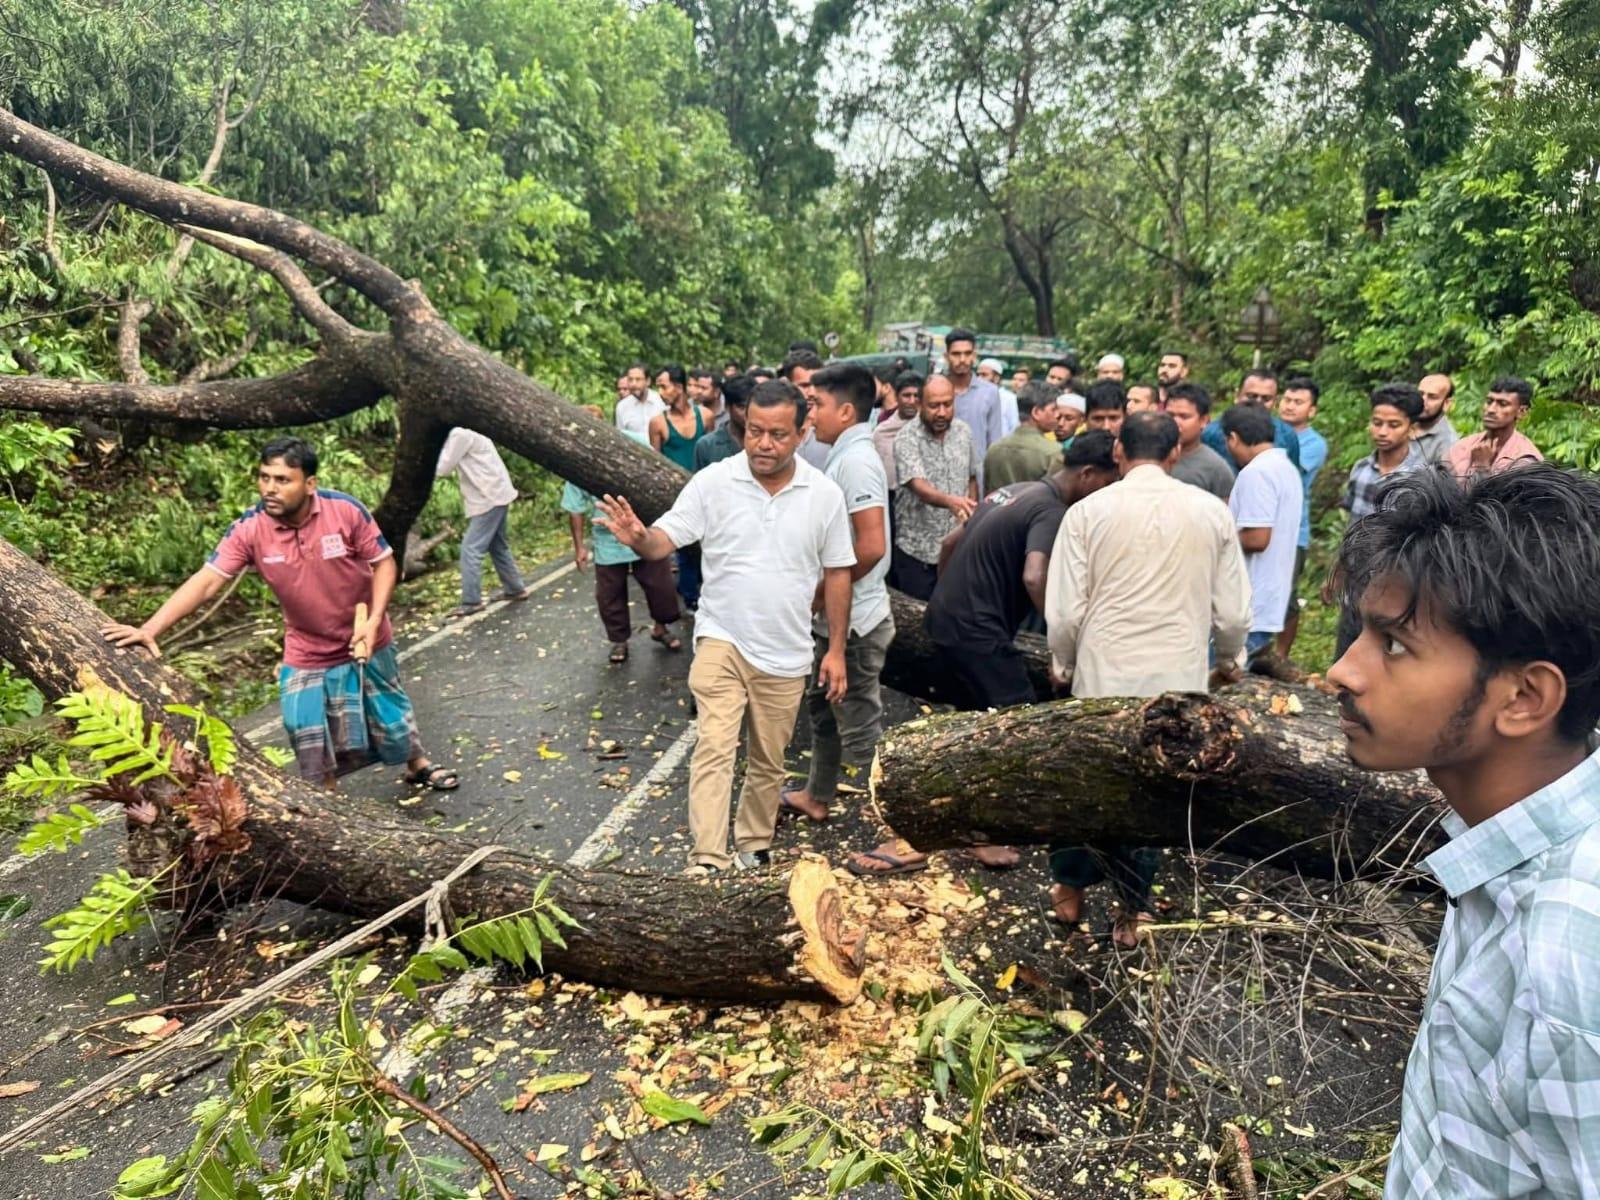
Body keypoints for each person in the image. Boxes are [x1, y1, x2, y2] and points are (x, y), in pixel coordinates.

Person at [1326, 465, 1600, 1200]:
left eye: (1394, 645)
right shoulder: (1507, 848)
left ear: (1524, 697)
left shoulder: (1569, 959)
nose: (1341, 672)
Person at [595, 381, 855, 875]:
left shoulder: (824, 495)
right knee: (714, 745)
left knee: (768, 759)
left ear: (801, 433)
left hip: (786, 650)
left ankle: (753, 844)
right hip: (722, 637)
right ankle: (708, 859)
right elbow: (663, 540)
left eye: (777, 434)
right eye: (754, 431)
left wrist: (836, 649)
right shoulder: (714, 482)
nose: (763, 444)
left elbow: (839, 572)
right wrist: (640, 538)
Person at [102, 438, 458, 792]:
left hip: (365, 633)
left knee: (388, 708)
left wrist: (374, 619)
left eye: (283, 480)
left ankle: (417, 765)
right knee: (304, 726)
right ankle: (327, 798)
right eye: (264, 477)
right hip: (307, 647)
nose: (270, 488)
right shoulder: (250, 528)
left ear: (310, 484)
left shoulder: (345, 511)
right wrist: (150, 628)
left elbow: (384, 563)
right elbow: (208, 580)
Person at [849, 432, 1121, 878]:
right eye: (1108, 484)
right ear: (1089, 475)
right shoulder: (1051, 510)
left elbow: (949, 544)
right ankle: (983, 835)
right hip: (978, 632)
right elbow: (1035, 576)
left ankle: (941, 817)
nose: (1106, 494)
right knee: (1017, 726)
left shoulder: (1013, 491)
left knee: (974, 722)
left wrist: (948, 596)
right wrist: (1061, 639)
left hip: (947, 618)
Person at [1045, 414, 1250, 945]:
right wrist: (1231, 659)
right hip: (1176, 677)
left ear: (1118, 450)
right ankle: (1134, 910)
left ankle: (1070, 891)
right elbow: (1232, 613)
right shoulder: (1210, 512)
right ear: (1175, 453)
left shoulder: (1088, 512)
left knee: (1087, 781)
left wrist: (1063, 664)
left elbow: (1065, 611)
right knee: (1153, 789)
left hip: (1102, 674)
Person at [779, 365, 894, 825]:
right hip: (838, 617)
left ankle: (898, 825)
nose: (811, 415)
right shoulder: (844, 455)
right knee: (822, 708)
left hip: (856, 620)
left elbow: (871, 546)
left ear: (846, 412)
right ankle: (817, 793)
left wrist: (822, 594)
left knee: (861, 727)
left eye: (817, 405)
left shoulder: (856, 462)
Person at [563, 410, 683, 663]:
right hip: (607, 537)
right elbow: (575, 508)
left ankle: (660, 627)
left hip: (641, 529)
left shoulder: (631, 441)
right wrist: (580, 547)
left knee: (659, 584)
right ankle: (619, 640)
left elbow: (654, 469)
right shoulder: (576, 458)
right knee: (610, 594)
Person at [1335, 382, 1428, 657]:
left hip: (1394, 581)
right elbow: (1352, 525)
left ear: (1411, 428)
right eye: (1377, 423)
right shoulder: (1361, 469)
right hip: (1356, 579)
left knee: (1383, 655)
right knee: (1346, 649)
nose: (1383, 431)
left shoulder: (1419, 478)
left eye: (1393, 425)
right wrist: (1339, 571)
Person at [1221, 404, 1304, 665]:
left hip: (1249, 602)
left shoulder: (1256, 473)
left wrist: (1217, 537)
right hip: (1268, 597)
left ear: (1233, 438)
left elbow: (1257, 538)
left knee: (1223, 676)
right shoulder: (1285, 468)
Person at [891, 374, 977, 600]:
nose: (941, 412)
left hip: (957, 549)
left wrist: (970, 513)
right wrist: (952, 502)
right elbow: (918, 486)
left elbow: (971, 478)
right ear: (920, 404)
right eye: (934, 406)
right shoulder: (907, 438)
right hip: (918, 553)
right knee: (917, 616)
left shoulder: (963, 432)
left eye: (947, 405)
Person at [434, 427, 535, 620]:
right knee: (498, 546)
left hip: (488, 497)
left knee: (470, 549)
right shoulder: (473, 428)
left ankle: (471, 601)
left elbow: (442, 468)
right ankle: (515, 588)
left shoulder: (460, 433)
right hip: (497, 493)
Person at [650, 363, 716, 610]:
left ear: (678, 387)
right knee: (685, 547)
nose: (660, 393)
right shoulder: (658, 423)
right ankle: (690, 597)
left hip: (706, 491)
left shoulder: (705, 416)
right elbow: (655, 463)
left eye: (663, 386)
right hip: (676, 496)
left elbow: (711, 452)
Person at [1277, 377, 1327, 658]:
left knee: (1287, 594)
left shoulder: (1314, 444)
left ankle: (1281, 655)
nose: (1290, 406)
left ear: (1312, 410)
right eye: (1287, 399)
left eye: (1299, 402)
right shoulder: (1268, 431)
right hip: (1261, 523)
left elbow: (1288, 473)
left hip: (1293, 529)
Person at [1200, 370, 1303, 472]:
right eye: (1251, 396)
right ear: (1237, 396)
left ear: (1275, 402)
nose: (1258, 402)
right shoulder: (1212, 433)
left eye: (1266, 398)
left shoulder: (1287, 435)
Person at [1444, 375, 1544, 478]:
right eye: (1489, 402)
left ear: (1521, 412)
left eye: (1503, 404)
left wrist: (1481, 468)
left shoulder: (1526, 459)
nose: (1491, 409)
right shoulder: (1462, 447)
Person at [945, 328, 1006, 486]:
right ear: (946, 356)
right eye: (956, 354)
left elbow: (994, 441)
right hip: (941, 475)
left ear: (974, 356)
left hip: (978, 478)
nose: (962, 359)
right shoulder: (936, 389)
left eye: (967, 353)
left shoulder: (990, 392)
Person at [983, 381, 1063, 493]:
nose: (1058, 415)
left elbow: (988, 492)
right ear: (1036, 412)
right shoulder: (1053, 452)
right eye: (1054, 409)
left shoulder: (994, 448)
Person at [1166, 382, 1234, 501]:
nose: (1175, 422)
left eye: (1184, 417)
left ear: (1204, 421)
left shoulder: (1216, 468)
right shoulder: (1146, 455)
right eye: (1170, 415)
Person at [874, 371, 922, 500]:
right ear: (896, 396)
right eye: (906, 396)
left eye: (916, 396)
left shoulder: (929, 429)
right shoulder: (882, 432)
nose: (912, 401)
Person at [782, 349, 831, 469]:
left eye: (817, 385)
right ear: (787, 384)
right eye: (804, 385)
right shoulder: (773, 423)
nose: (812, 392)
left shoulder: (832, 427)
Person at [694, 373, 751, 470]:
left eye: (751, 406)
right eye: (742, 407)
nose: (748, 413)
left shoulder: (763, 443)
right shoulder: (707, 445)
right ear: (727, 406)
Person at [1412, 372, 1458, 465]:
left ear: (1447, 403)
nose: (1422, 401)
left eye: (1432, 397)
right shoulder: (1400, 422)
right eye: (1420, 394)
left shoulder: (1448, 444)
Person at [615, 362, 665, 438]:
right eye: (630, 380)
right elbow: (620, 437)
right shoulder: (622, 407)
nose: (633, 384)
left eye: (638, 379)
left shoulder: (661, 401)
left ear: (648, 381)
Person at [978, 357, 1019, 434]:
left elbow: (1014, 427)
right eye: (978, 374)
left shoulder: (1009, 398)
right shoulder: (975, 397)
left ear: (996, 378)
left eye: (984, 375)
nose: (979, 379)